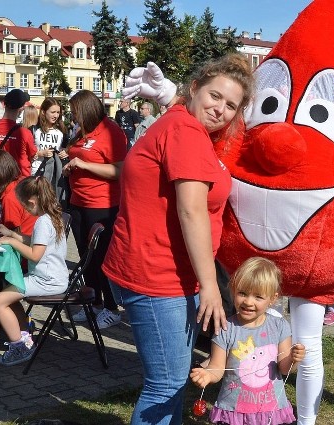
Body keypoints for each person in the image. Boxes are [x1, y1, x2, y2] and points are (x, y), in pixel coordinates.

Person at [102, 53, 254, 424]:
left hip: (162, 272)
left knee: (170, 381)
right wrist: (210, 286)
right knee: (166, 384)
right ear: (195, 88)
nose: (220, 109)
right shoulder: (185, 131)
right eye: (215, 96)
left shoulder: (181, 123)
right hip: (158, 276)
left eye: (231, 105)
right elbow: (191, 210)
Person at [190, 257, 306, 425]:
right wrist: (207, 375)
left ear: (272, 299)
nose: (248, 302)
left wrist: (294, 359)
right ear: (233, 289)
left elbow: (284, 368)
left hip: (270, 410)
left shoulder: (279, 326)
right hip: (234, 411)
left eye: (258, 297)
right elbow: (217, 367)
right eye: (242, 293)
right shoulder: (224, 327)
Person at [62, 90, 127, 329]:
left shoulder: (110, 132)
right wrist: (71, 168)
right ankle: (94, 303)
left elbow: (120, 170)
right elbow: (78, 157)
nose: (72, 116)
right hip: (79, 201)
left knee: (101, 258)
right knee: (85, 258)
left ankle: (111, 308)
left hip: (102, 205)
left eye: (75, 111)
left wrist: (84, 165)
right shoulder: (83, 132)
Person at [0, 176, 69, 366]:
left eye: (25, 206)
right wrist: (12, 234)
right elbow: (35, 243)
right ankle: (23, 333)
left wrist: (11, 242)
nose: (25, 210)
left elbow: (35, 255)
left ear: (32, 202)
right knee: (9, 290)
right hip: (53, 277)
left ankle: (19, 346)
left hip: (47, 281)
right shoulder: (52, 216)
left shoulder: (43, 222)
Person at [0, 150, 37, 239]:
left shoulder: (10, 198)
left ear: (0, 172)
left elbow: (10, 235)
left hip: (26, 244)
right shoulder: (19, 183)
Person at [0, 88, 37, 178]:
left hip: (0, 179)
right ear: (21, 108)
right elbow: (32, 154)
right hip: (20, 180)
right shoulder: (25, 133)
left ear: (4, 104)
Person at [30, 97, 69, 176]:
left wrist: (66, 152)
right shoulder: (33, 130)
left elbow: (66, 149)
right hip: (36, 173)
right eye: (53, 112)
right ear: (43, 112)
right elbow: (26, 153)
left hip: (55, 173)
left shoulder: (62, 132)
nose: (56, 115)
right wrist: (40, 153)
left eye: (58, 112)